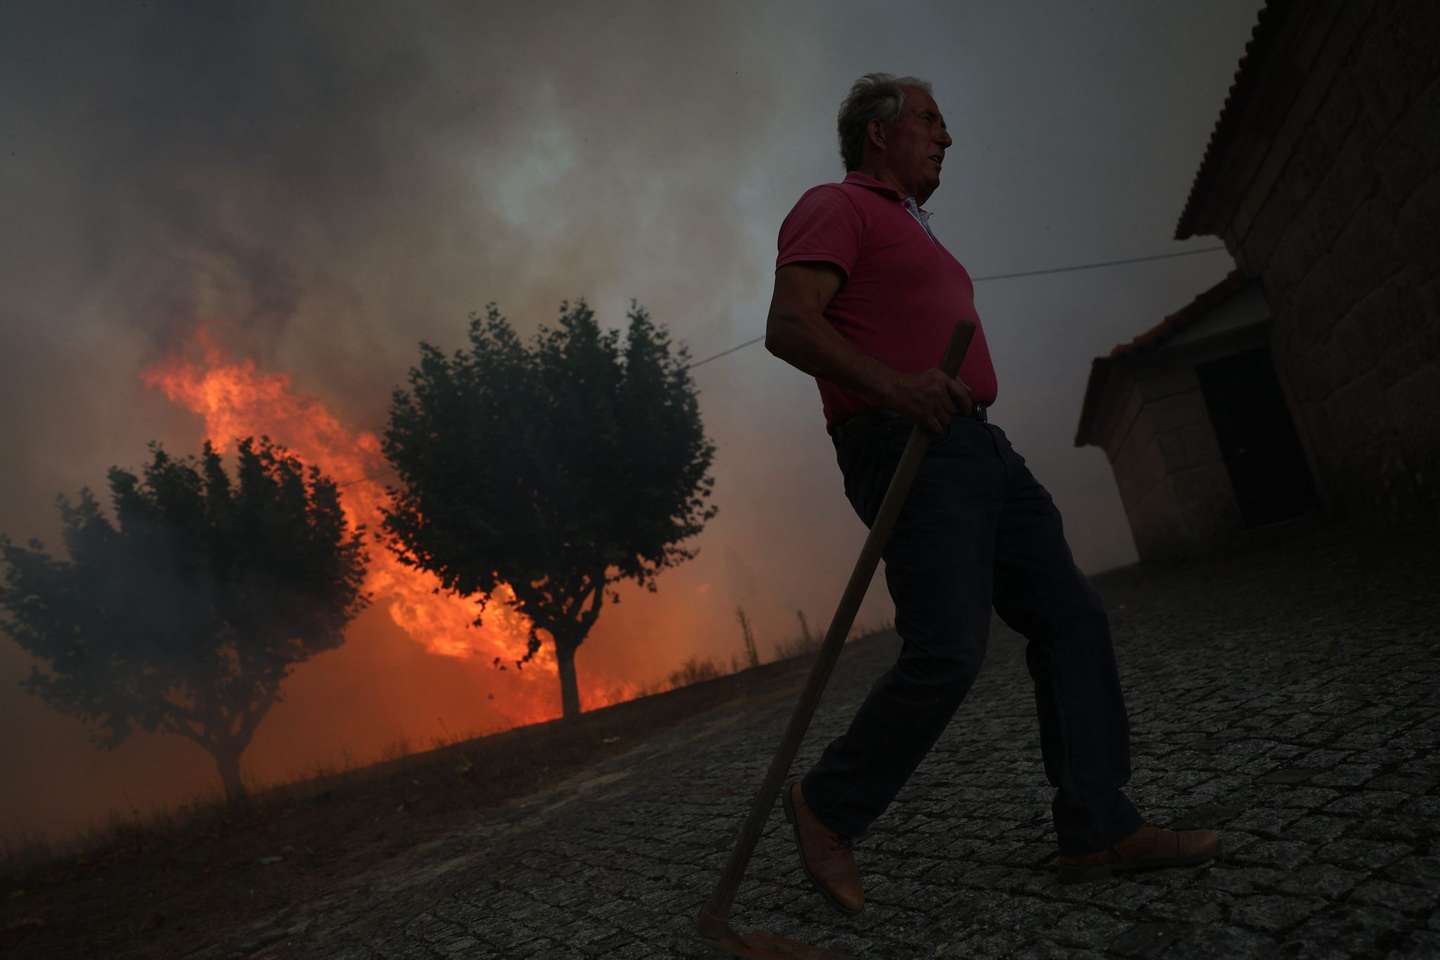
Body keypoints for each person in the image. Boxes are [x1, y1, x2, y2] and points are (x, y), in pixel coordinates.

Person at [764, 72, 1219, 915]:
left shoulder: (916, 231)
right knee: (948, 651)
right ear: (877, 132)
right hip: (905, 442)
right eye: (931, 121)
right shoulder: (836, 205)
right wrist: (900, 390)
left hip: (977, 444)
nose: (947, 137)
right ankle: (827, 806)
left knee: (1072, 617)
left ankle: (1098, 825)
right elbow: (789, 325)